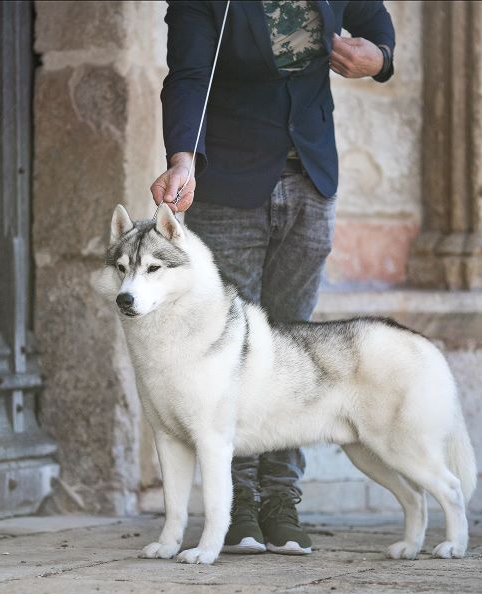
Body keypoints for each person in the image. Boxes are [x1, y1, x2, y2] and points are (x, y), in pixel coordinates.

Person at [152, 1, 396, 555]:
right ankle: (236, 505)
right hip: (231, 185)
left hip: (311, 178)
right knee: (228, 351)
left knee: (293, 347)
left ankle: (281, 501)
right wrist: (183, 159)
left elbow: (373, 16)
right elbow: (188, 75)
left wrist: (379, 58)